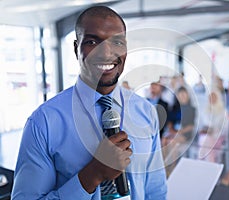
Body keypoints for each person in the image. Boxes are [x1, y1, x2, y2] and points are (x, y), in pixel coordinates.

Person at [12, 6, 167, 200]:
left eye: (117, 42)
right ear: (76, 48)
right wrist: (92, 175)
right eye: (93, 41)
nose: (106, 53)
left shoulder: (146, 111)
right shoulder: (44, 122)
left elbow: (155, 191)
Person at [198, 89, 229, 162]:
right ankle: (209, 166)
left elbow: (225, 129)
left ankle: (200, 162)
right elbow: (200, 125)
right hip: (204, 137)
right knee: (206, 140)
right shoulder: (205, 110)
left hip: (218, 138)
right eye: (210, 97)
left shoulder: (224, 111)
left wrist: (213, 131)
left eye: (214, 96)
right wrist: (204, 130)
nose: (212, 99)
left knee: (207, 141)